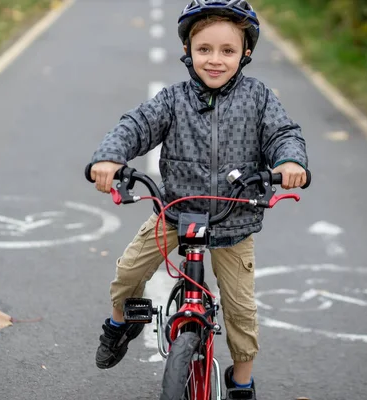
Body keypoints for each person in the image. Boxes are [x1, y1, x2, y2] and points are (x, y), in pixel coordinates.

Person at [88, 0, 308, 398]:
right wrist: (109, 157)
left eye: (228, 51)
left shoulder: (258, 98)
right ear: (188, 51)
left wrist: (290, 160)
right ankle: (121, 323)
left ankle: (242, 381)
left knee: (241, 311)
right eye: (204, 49)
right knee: (128, 273)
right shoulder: (173, 100)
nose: (215, 60)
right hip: (176, 212)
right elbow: (135, 125)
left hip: (234, 221)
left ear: (246, 53)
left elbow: (283, 134)